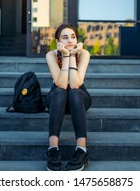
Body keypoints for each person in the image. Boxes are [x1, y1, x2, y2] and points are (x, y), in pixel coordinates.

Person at [44, 23, 92, 171]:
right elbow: (62, 84)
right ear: (58, 41)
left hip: (78, 98)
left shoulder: (83, 53)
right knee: (60, 92)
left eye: (73, 37)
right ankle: (53, 149)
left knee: (75, 92)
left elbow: (76, 84)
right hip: (58, 98)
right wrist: (66, 55)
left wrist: (72, 56)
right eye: (65, 37)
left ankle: (82, 150)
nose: (70, 40)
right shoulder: (51, 55)